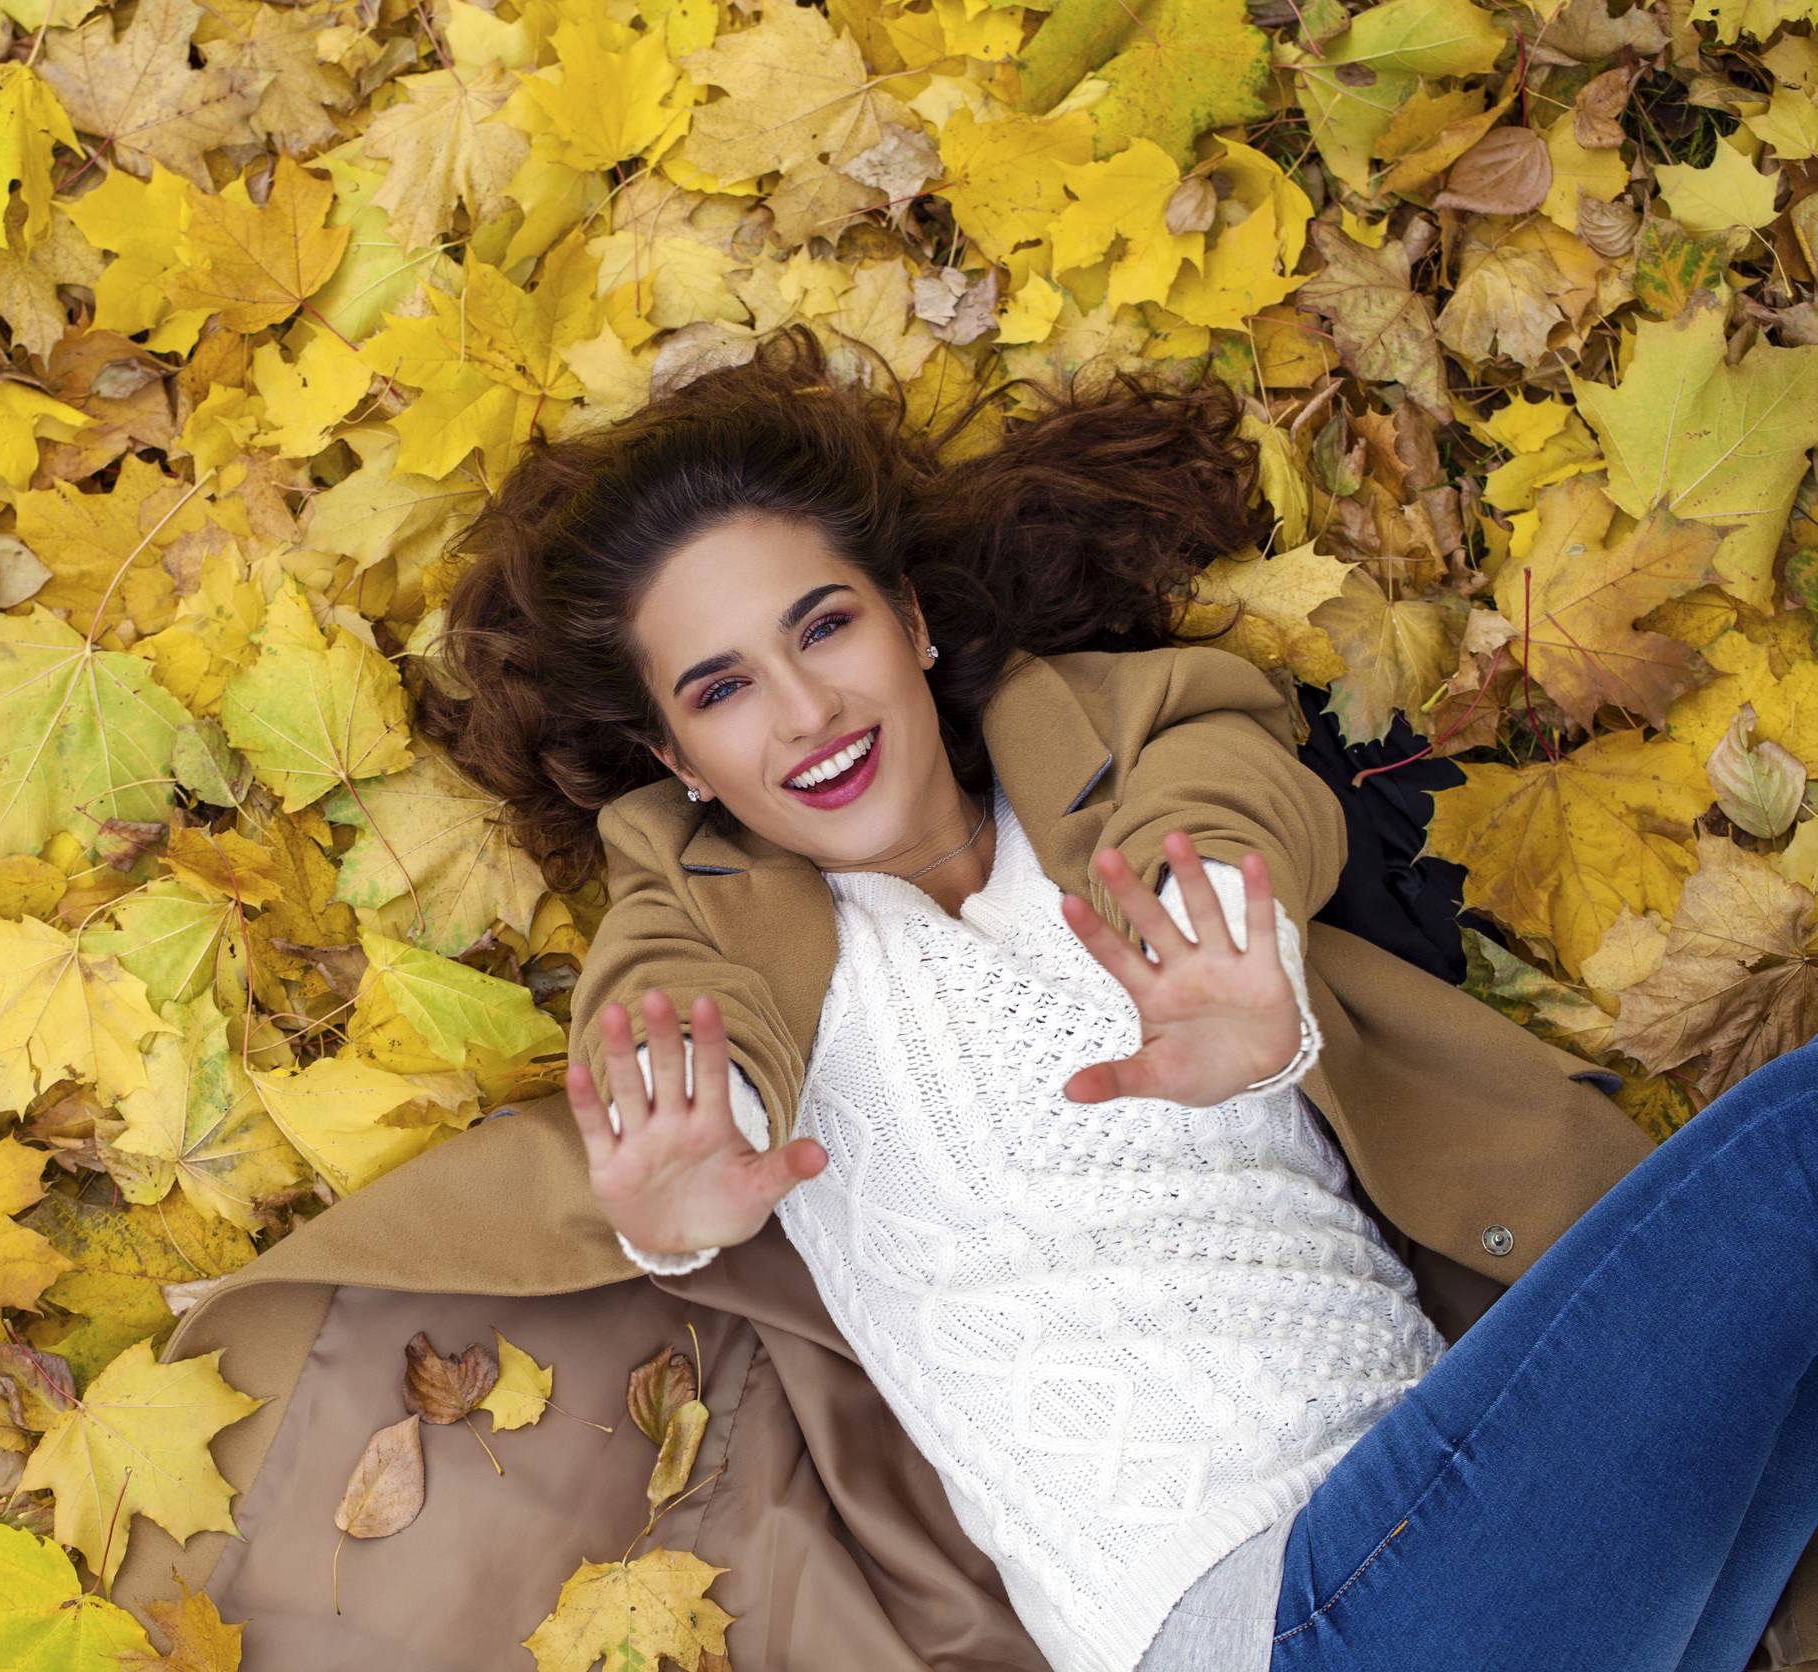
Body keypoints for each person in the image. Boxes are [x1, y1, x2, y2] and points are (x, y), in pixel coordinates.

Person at [416, 326, 1818, 1672]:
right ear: (684, 759)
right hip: (1279, 1631)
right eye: (725, 690)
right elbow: (669, 1005)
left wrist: (1231, 917)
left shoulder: (1106, 742)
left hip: (1469, 1528)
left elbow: (1239, 791)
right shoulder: (711, 903)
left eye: (824, 627)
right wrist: (684, 1174)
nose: (803, 712)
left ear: (908, 624)